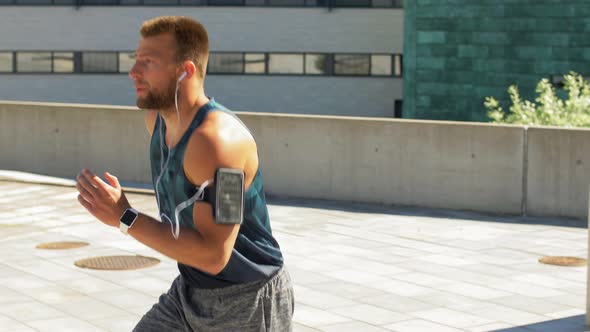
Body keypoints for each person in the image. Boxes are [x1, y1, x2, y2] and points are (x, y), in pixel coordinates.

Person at [75, 16, 293, 331]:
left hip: (246, 299)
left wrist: (125, 216)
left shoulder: (221, 145)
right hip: (189, 291)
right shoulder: (157, 120)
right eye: (135, 60)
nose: (133, 72)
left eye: (148, 62)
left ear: (185, 71)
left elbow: (214, 254)